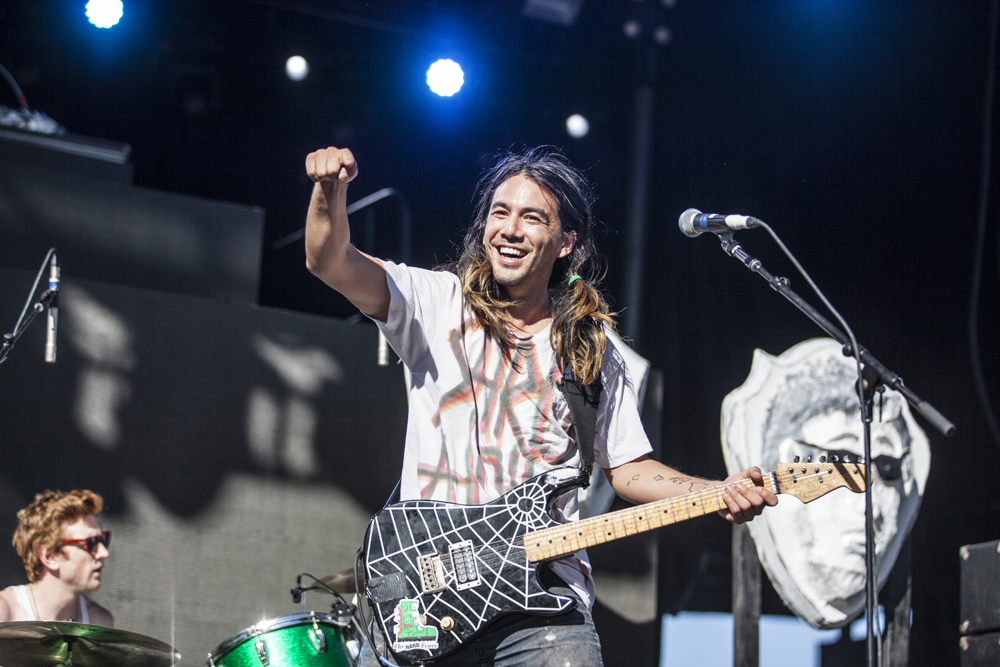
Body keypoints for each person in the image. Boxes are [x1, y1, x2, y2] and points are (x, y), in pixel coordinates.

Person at [304, 145, 777, 666]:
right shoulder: (436, 303)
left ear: (565, 241)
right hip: (427, 589)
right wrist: (330, 191)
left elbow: (627, 467)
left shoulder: (590, 349)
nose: (510, 229)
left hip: (544, 610)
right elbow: (329, 261)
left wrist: (716, 492)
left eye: (532, 218)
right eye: (500, 213)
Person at [0, 489, 114, 626]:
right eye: (91, 543)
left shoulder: (99, 621)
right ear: (50, 556)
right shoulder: (5, 613)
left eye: (104, 539)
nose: (104, 553)